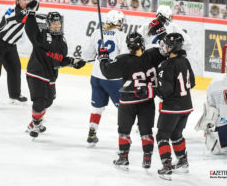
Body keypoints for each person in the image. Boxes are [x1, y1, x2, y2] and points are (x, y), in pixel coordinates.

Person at [98, 32, 166, 170]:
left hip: (128, 102)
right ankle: (147, 159)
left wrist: (103, 58)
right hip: (147, 100)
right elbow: (166, 51)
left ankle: (123, 157)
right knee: (146, 131)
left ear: (128, 46)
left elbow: (107, 73)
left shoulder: (123, 60)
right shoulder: (153, 54)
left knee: (124, 130)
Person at [24, 2, 86, 138]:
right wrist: (31, 14)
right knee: (39, 101)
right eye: (54, 23)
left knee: (49, 101)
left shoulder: (62, 41)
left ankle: (34, 122)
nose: (57, 26)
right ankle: (35, 125)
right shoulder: (42, 35)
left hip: (50, 76)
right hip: (36, 72)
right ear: (48, 24)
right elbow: (30, 30)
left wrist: (73, 62)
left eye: (58, 23)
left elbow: (61, 59)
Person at [81, 10, 128, 146]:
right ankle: (123, 139)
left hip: (96, 76)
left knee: (97, 108)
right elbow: (124, 57)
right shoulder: (121, 36)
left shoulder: (96, 33)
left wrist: (96, 56)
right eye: (119, 21)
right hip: (113, 79)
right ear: (113, 20)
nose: (121, 23)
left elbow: (87, 55)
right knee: (124, 108)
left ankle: (92, 133)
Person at [155, 33, 195, 181]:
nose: (163, 47)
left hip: (172, 107)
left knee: (162, 136)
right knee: (176, 134)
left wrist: (153, 89)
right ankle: (183, 161)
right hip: (186, 106)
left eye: (165, 44)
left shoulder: (165, 65)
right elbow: (193, 82)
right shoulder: (185, 61)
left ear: (172, 47)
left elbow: (165, 92)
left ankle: (166, 167)